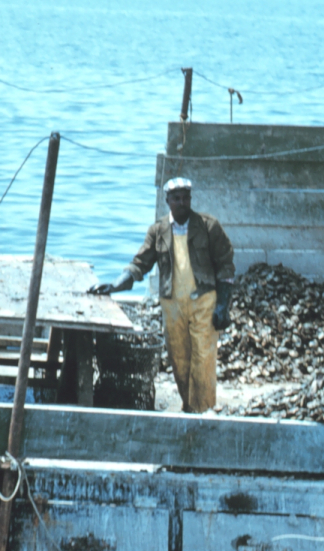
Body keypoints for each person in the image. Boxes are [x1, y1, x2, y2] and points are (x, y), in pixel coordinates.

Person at [88, 177, 235, 413]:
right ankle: (190, 408)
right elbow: (140, 264)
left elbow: (226, 265)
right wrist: (115, 285)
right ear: (167, 200)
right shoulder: (158, 231)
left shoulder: (209, 226)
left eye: (186, 197)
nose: (182, 202)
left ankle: (204, 412)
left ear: (190, 199)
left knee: (203, 360)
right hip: (172, 304)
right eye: (176, 198)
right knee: (179, 359)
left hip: (204, 302)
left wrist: (223, 305)